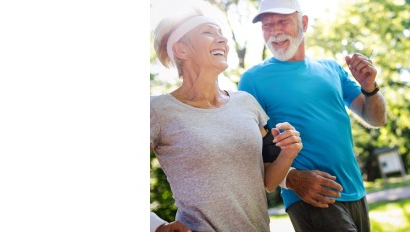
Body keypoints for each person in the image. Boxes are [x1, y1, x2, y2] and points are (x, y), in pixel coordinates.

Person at [148, 9, 304, 232]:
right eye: (208, 32)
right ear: (181, 49)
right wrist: (156, 226)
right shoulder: (157, 110)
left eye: (221, 32)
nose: (222, 39)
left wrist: (288, 153)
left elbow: (268, 182)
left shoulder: (247, 103)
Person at [238, 0, 388, 231]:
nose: (275, 31)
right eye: (267, 25)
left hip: (355, 191)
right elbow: (250, 151)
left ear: (304, 23)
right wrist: (293, 179)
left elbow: (376, 119)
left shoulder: (332, 69)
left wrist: (369, 87)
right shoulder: (253, 80)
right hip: (311, 196)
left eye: (283, 21)